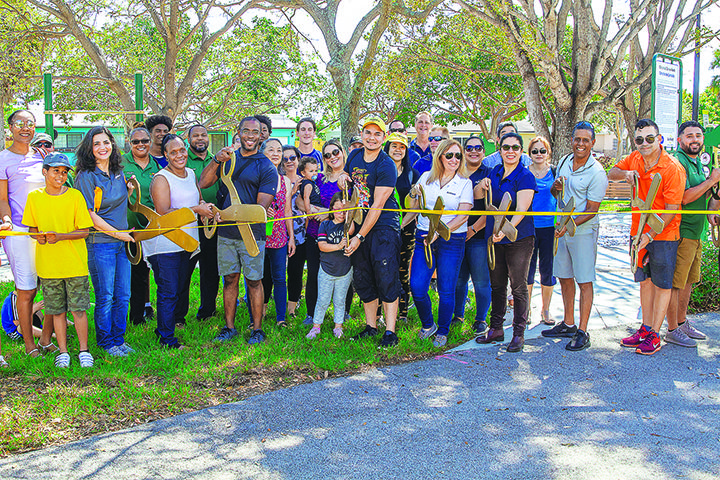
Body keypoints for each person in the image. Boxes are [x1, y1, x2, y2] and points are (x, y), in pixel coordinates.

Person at [608, 118, 685, 355]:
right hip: (637, 231)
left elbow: (672, 209)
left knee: (662, 284)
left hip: (663, 234)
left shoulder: (672, 167)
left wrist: (650, 235)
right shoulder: (635, 158)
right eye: (640, 139)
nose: (645, 143)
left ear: (659, 139)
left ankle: (655, 335)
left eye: (650, 138)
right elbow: (612, 173)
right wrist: (626, 173)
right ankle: (646, 327)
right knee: (644, 281)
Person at [199, 116, 277, 345]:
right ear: (239, 132)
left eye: (255, 132)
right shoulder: (227, 160)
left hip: (252, 234)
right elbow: (204, 183)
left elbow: (259, 209)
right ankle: (229, 327)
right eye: (246, 131)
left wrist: (229, 213)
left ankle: (257, 330)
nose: (251, 136)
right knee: (230, 279)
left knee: (254, 280)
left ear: (261, 135)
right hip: (226, 234)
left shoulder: (266, 166)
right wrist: (216, 159)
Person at [542, 122, 608, 351]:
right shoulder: (563, 162)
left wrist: (567, 225)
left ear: (592, 143)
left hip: (583, 231)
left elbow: (591, 210)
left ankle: (583, 330)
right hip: (562, 228)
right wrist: (556, 187)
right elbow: (554, 192)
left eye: (585, 140)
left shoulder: (597, 172)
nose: (580, 144)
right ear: (572, 139)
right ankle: (568, 323)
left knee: (584, 279)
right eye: (577, 139)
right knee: (564, 276)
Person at [24, 153, 94, 368]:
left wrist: (60, 236)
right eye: (56, 171)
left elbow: (84, 231)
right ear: (44, 172)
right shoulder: (34, 197)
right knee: (56, 310)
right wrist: (38, 236)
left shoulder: (75, 196)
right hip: (49, 265)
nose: (61, 176)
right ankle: (63, 351)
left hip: (74, 263)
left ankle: (84, 351)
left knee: (79, 309)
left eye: (64, 172)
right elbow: (32, 228)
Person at [144, 134, 213, 348]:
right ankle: (166, 338)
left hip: (187, 241)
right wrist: (196, 210)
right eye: (173, 152)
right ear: (165, 155)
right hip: (165, 243)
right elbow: (164, 213)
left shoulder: (191, 173)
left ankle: (164, 329)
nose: (179, 155)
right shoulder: (161, 178)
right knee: (169, 291)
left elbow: (198, 199)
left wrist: (207, 208)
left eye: (181, 149)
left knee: (179, 287)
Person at [340, 116, 402, 347]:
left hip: (383, 226)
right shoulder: (355, 155)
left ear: (383, 138)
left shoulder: (386, 165)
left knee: (386, 276)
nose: (372, 137)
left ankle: (390, 331)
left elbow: (377, 205)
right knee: (363, 276)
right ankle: (371, 327)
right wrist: (343, 178)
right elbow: (347, 180)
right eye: (368, 132)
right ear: (362, 134)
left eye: (377, 134)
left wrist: (359, 236)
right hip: (359, 223)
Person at [74, 126, 136, 357]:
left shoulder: (118, 172)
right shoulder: (86, 176)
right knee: (106, 296)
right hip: (100, 244)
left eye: (106, 142)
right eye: (97, 144)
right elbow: (90, 215)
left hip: (121, 243)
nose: (102, 147)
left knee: (123, 295)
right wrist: (118, 234)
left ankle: (119, 340)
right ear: (89, 149)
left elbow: (115, 204)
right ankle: (106, 342)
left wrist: (128, 191)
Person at [0, 109, 57, 358]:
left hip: (47, 231)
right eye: (19, 123)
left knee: (52, 287)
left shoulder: (43, 157)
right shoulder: (3, 159)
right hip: (20, 234)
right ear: (10, 128)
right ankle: (29, 345)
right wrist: (6, 220)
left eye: (30, 123)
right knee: (27, 291)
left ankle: (45, 339)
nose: (25, 128)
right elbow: (3, 200)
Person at [405, 139, 472, 347]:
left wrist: (440, 231)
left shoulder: (465, 182)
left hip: (452, 239)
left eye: (458, 156)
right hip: (423, 237)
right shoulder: (426, 177)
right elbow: (412, 206)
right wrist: (412, 193)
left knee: (446, 288)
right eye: (449, 155)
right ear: (440, 156)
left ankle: (443, 330)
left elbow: (463, 214)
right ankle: (428, 325)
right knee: (416, 285)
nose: (454, 159)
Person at [475, 132, 536, 352]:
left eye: (515, 148)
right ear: (499, 150)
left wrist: (505, 229)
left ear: (521, 151)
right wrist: (481, 185)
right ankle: (496, 328)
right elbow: (479, 198)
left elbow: (522, 209)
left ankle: (518, 334)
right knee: (497, 285)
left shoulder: (526, 176)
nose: (510, 151)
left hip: (518, 238)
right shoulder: (494, 172)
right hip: (494, 238)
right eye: (506, 147)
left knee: (518, 287)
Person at [665, 121, 720, 345]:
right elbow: (685, 197)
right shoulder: (679, 162)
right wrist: (711, 181)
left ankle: (681, 321)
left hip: (697, 232)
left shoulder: (698, 163)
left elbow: (709, 203)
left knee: (688, 281)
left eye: (698, 135)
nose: (694, 139)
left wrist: (715, 191)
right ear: (680, 140)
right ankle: (671, 329)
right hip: (681, 231)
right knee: (677, 282)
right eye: (689, 136)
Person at [453, 136, 492, 335]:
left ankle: (481, 319)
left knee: (481, 280)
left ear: (483, 151)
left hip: (478, 236)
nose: (473, 151)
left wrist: (473, 229)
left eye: (478, 148)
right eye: (469, 148)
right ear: (464, 151)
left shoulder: (489, 174)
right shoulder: (455, 172)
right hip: (456, 236)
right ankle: (457, 316)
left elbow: (490, 209)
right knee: (459, 280)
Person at [122, 127, 160, 326]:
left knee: (147, 271)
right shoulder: (120, 163)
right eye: (136, 142)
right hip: (129, 228)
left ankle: (147, 308)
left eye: (144, 141)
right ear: (130, 143)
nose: (140, 145)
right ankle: (135, 316)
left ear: (150, 142)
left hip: (151, 227)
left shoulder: (156, 165)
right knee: (133, 273)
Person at [183, 124, 221, 322]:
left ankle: (207, 310)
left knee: (210, 268)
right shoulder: (181, 160)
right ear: (189, 139)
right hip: (188, 222)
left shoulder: (218, 160)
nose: (200, 138)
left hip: (212, 223)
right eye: (195, 135)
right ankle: (179, 313)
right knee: (185, 269)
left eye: (203, 135)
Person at [306, 192, 355, 339]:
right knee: (322, 300)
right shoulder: (325, 225)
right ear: (332, 209)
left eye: (344, 210)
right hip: (326, 270)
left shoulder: (347, 226)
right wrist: (339, 246)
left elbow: (351, 227)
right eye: (338, 209)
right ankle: (316, 327)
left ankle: (338, 326)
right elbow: (322, 246)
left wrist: (350, 212)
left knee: (340, 300)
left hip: (344, 271)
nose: (341, 213)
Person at [261, 138, 295, 326]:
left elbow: (287, 210)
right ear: (263, 152)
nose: (275, 153)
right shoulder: (256, 177)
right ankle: (256, 316)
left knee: (280, 277)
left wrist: (291, 238)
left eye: (279, 150)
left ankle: (281, 318)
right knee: (257, 277)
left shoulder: (286, 181)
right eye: (271, 149)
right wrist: (262, 210)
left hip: (280, 236)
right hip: (258, 235)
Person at [319, 140, 355, 318]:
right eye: (327, 155)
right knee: (317, 273)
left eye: (335, 152)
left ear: (342, 152)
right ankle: (315, 314)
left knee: (346, 270)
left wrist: (329, 213)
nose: (332, 157)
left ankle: (344, 312)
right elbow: (306, 201)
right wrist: (319, 212)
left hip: (347, 230)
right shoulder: (320, 178)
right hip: (321, 230)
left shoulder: (351, 176)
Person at [385, 132, 419, 322]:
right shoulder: (379, 171)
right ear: (387, 148)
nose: (398, 150)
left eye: (402, 147)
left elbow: (416, 207)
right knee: (383, 270)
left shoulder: (413, 174)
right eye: (394, 146)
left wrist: (400, 224)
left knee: (402, 270)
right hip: (381, 229)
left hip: (405, 230)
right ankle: (381, 312)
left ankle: (403, 313)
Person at [525, 136, 557, 325]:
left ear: (548, 152)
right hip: (528, 227)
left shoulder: (554, 171)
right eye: (535, 151)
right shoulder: (525, 173)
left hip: (549, 227)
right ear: (530, 154)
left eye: (542, 151)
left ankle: (546, 310)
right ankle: (527, 309)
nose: (539, 154)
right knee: (527, 271)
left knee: (548, 270)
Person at [283, 145, 307, 318]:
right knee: (275, 271)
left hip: (300, 233)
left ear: (298, 159)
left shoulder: (306, 181)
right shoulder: (276, 180)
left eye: (292, 158)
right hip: (278, 231)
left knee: (295, 270)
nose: (289, 161)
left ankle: (292, 307)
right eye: (285, 159)